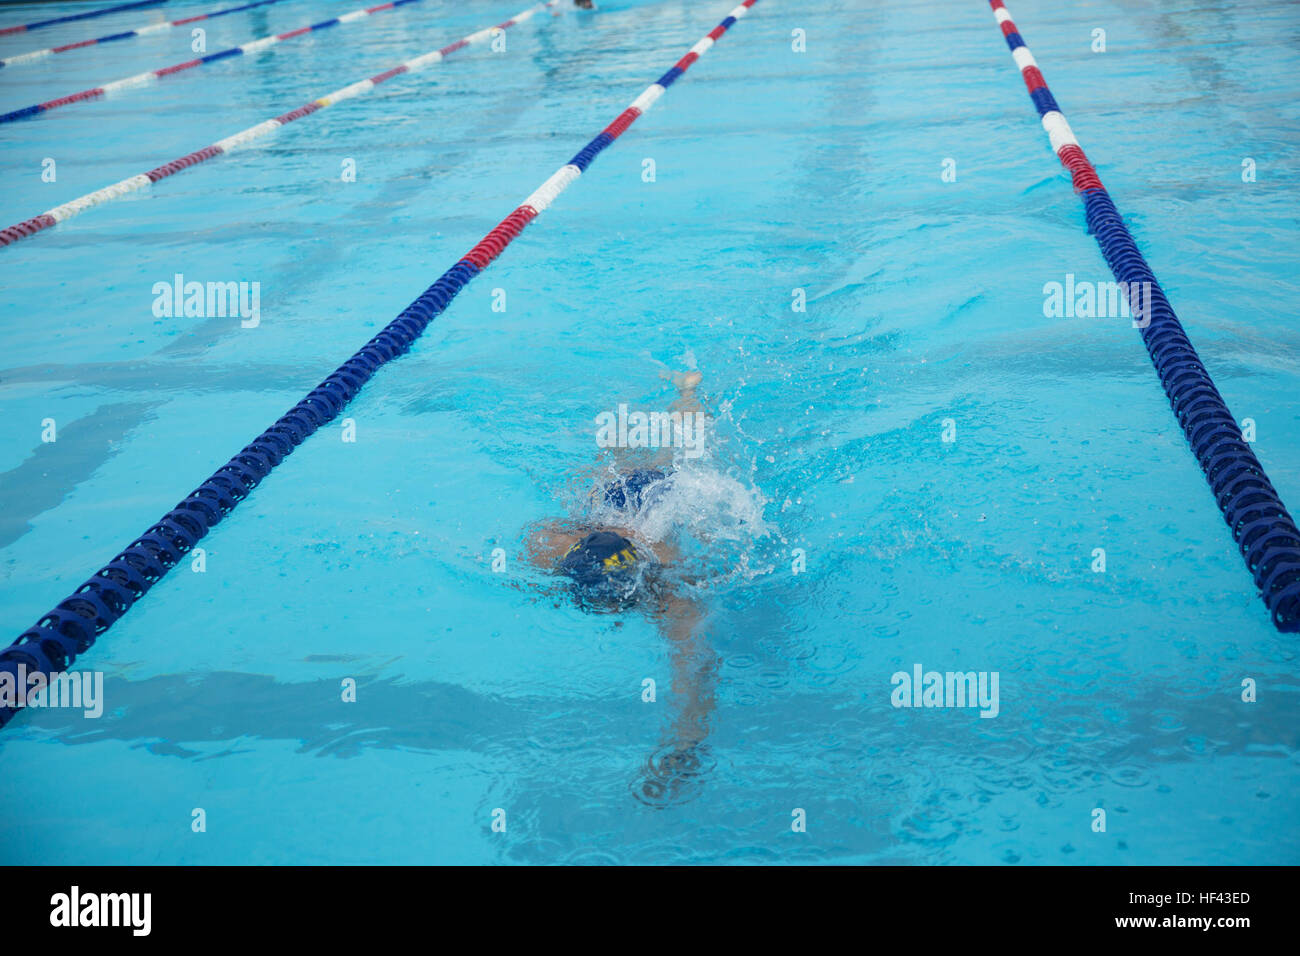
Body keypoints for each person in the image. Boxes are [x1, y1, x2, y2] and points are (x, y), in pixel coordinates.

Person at [525, 369, 716, 804]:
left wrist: (685, 744)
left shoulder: (665, 585)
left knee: (681, 455)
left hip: (658, 497)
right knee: (614, 462)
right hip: (609, 506)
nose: (613, 613)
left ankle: (687, 392)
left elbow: (698, 668)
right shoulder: (554, 550)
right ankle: (675, 393)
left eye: (615, 602)